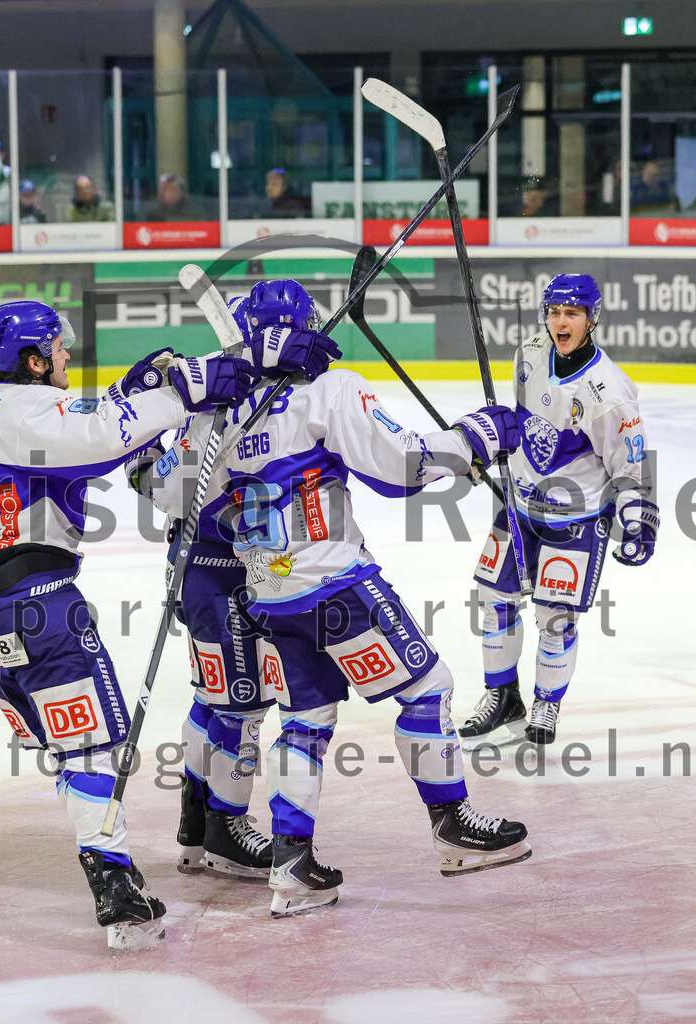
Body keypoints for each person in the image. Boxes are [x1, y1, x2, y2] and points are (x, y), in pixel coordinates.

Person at [149, 280, 531, 918]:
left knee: (307, 720)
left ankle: (292, 865)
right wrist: (478, 436)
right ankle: (452, 828)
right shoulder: (331, 389)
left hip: (269, 597)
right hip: (337, 585)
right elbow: (403, 467)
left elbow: (169, 495)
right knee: (427, 690)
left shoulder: (215, 414)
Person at [0, 300, 252, 951]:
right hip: (35, 601)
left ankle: (111, 869)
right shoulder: (25, 412)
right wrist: (185, 386)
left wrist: (124, 396)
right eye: (58, 347)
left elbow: (87, 441)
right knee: (95, 745)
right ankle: (113, 884)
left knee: (72, 747)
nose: (67, 355)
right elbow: (102, 439)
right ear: (32, 359)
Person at [129, 287, 338, 882]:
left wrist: (145, 460)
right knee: (244, 705)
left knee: (216, 699)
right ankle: (223, 824)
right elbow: (170, 490)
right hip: (220, 573)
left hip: (214, 569)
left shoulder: (232, 394)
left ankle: (196, 823)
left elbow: (159, 485)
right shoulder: (224, 402)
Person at [459, 274, 658, 751]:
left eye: (571, 313)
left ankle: (547, 701)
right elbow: (521, 419)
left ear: (592, 319)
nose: (560, 322)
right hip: (520, 502)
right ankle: (502, 695)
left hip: (578, 516)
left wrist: (638, 518)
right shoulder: (529, 352)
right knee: (494, 600)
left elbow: (630, 464)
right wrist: (486, 447)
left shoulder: (609, 391)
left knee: (555, 615)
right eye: (553, 312)